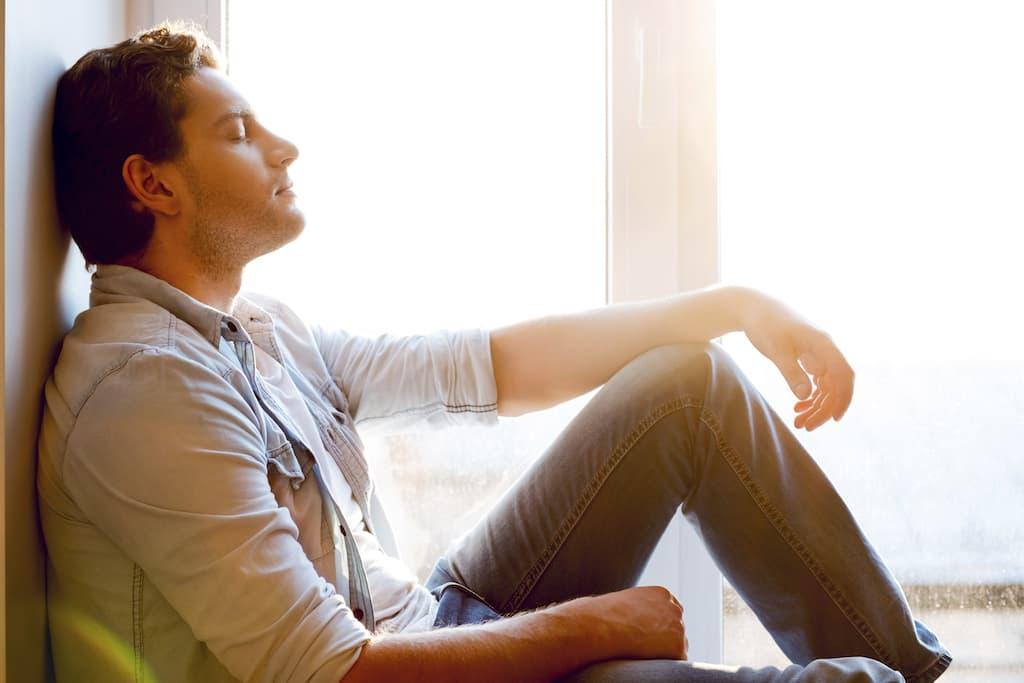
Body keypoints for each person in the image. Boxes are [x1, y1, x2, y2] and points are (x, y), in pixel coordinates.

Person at [37, 21, 952, 683]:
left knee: (689, 382)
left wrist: (736, 304)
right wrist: (592, 625)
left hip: (433, 623)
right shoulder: (145, 388)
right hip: (386, 676)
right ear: (152, 184)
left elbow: (492, 364)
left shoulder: (261, 328)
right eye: (238, 133)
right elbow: (326, 670)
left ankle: (917, 673)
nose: (285, 146)